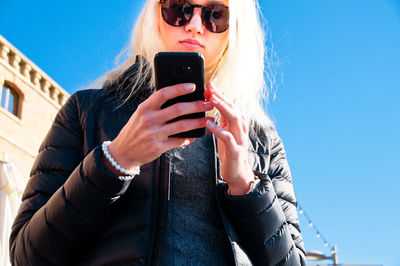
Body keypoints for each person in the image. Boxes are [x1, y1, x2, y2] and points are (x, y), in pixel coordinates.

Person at [9, 0, 306, 265]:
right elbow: (26, 255)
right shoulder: (86, 111)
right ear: (155, 14)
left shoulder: (262, 139)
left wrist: (246, 187)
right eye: (179, 8)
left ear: (235, 31)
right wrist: (115, 160)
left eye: (215, 15)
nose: (193, 26)